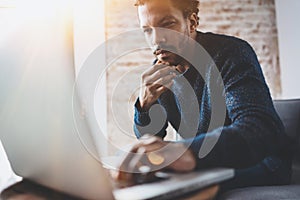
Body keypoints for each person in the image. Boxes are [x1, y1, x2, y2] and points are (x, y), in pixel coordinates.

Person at [116, 0, 292, 193]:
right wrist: (145, 106)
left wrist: (187, 151)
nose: (157, 40)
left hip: (263, 162)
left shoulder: (230, 53)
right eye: (147, 30)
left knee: (180, 190)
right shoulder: (161, 71)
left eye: (167, 24)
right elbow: (151, 139)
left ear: (191, 22)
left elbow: (260, 127)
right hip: (206, 162)